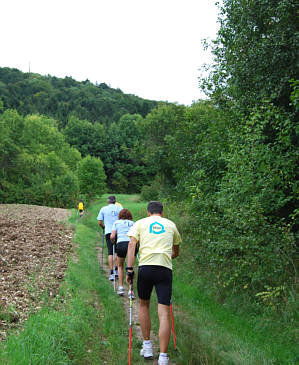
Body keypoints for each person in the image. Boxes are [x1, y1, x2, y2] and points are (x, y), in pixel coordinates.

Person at [126, 201, 181, 365]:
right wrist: (168, 257)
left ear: (148, 212)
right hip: (164, 269)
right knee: (163, 311)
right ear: (162, 213)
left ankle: (147, 345)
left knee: (144, 305)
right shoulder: (171, 225)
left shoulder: (141, 223)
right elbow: (176, 250)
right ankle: (163, 357)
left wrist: (129, 269)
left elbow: (131, 244)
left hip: (145, 268)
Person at [110, 209, 137, 296]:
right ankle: (131, 290)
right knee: (131, 267)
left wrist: (113, 242)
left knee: (120, 265)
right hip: (131, 245)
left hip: (121, 244)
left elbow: (112, 236)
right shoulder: (133, 223)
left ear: (120, 215)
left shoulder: (116, 223)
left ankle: (121, 287)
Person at [97, 195, 122, 280]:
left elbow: (99, 222)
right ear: (115, 201)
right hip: (118, 232)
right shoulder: (119, 209)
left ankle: (111, 272)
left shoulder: (103, 209)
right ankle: (116, 270)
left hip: (108, 232)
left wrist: (104, 227)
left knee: (110, 251)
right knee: (117, 251)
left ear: (108, 201)